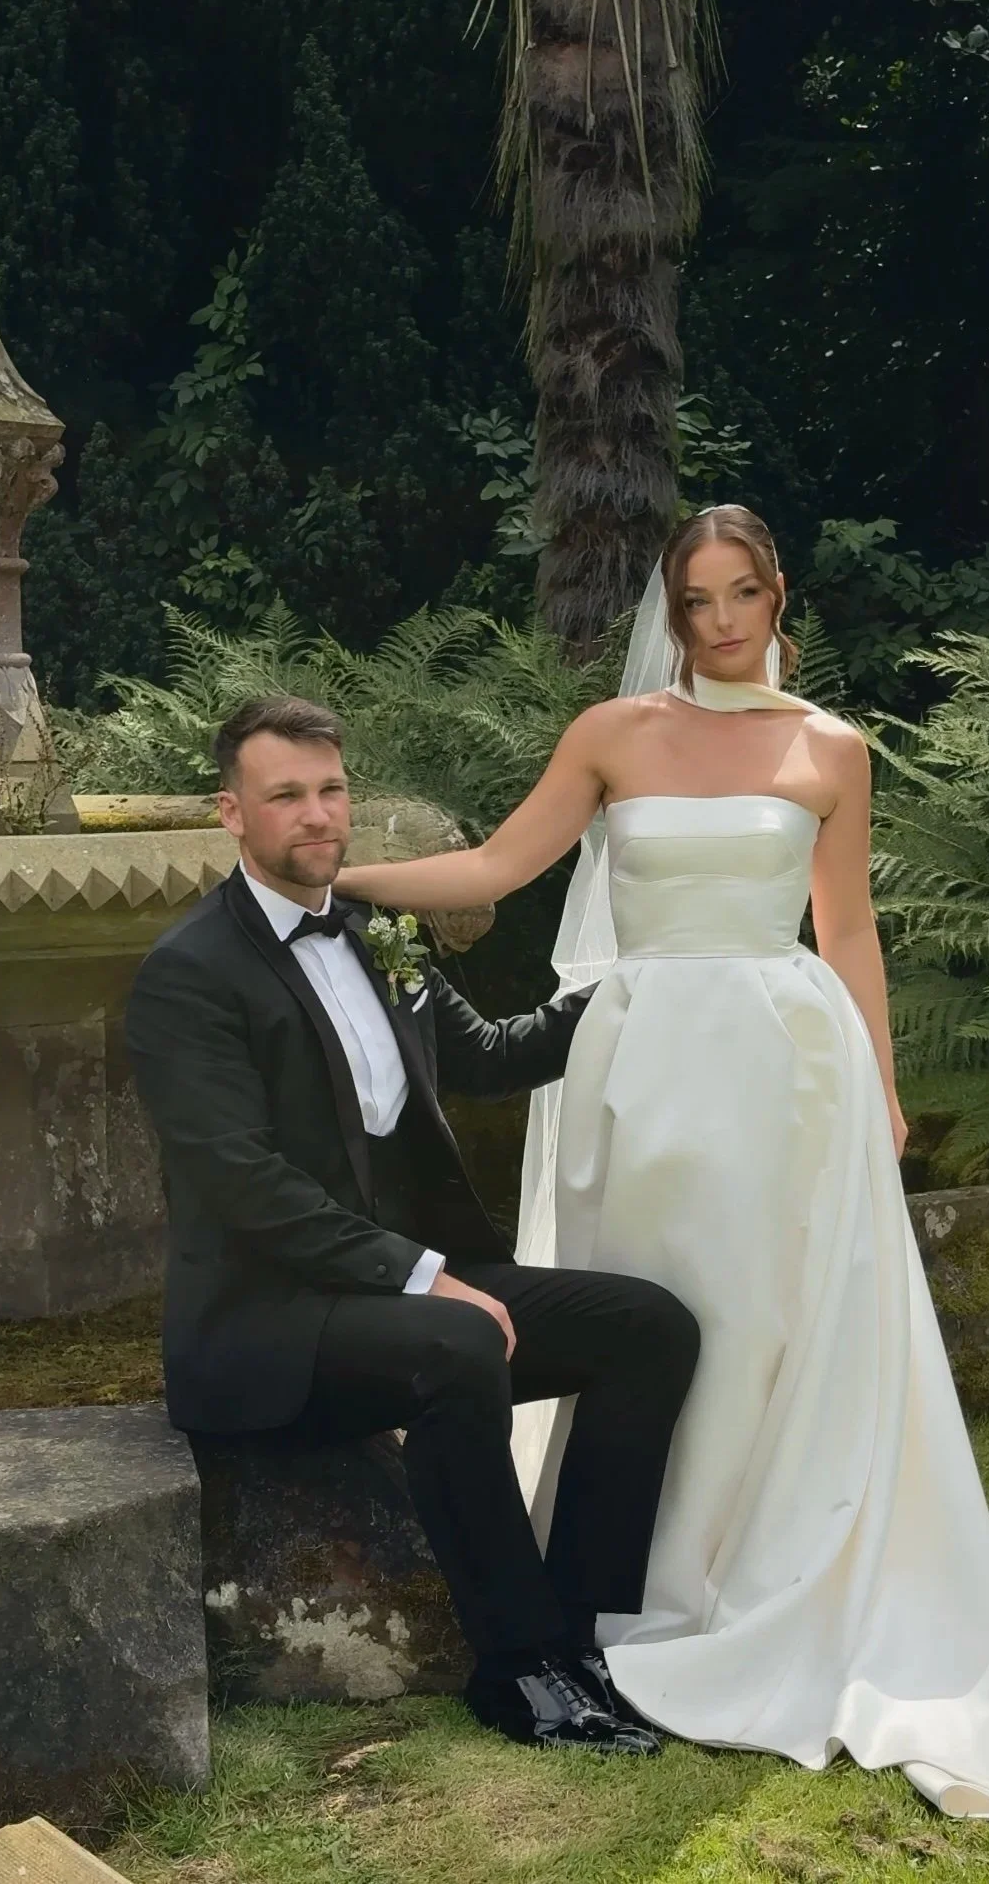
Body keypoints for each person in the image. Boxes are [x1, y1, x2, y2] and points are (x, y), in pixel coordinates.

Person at [333, 506, 989, 1826]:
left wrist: (883, 1091)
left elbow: (846, 933)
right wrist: (331, 872)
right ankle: (642, 1574)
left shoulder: (830, 749)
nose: (721, 621)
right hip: (643, 1068)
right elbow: (500, 863)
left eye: (742, 594)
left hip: (789, 1069)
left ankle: (779, 1566)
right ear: (669, 608)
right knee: (660, 1312)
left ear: (780, 594)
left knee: (777, 1320)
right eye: (696, 597)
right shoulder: (610, 737)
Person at [125, 695, 701, 1757]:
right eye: (285, 796)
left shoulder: (375, 929)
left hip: (403, 1298)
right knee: (459, 1339)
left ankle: (580, 1630)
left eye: (330, 790)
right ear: (232, 814)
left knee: (651, 1327)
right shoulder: (188, 975)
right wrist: (422, 1273)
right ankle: (517, 1669)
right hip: (266, 1328)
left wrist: (653, 982)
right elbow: (241, 1181)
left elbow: (485, 1055)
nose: (316, 815)